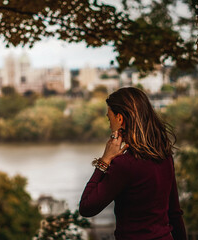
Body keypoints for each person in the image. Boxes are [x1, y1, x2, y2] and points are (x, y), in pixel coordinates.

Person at [79, 87, 187, 240]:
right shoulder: (165, 156)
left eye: (109, 119)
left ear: (120, 119)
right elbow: (175, 213)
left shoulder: (124, 165)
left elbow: (87, 207)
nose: (110, 125)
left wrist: (104, 161)